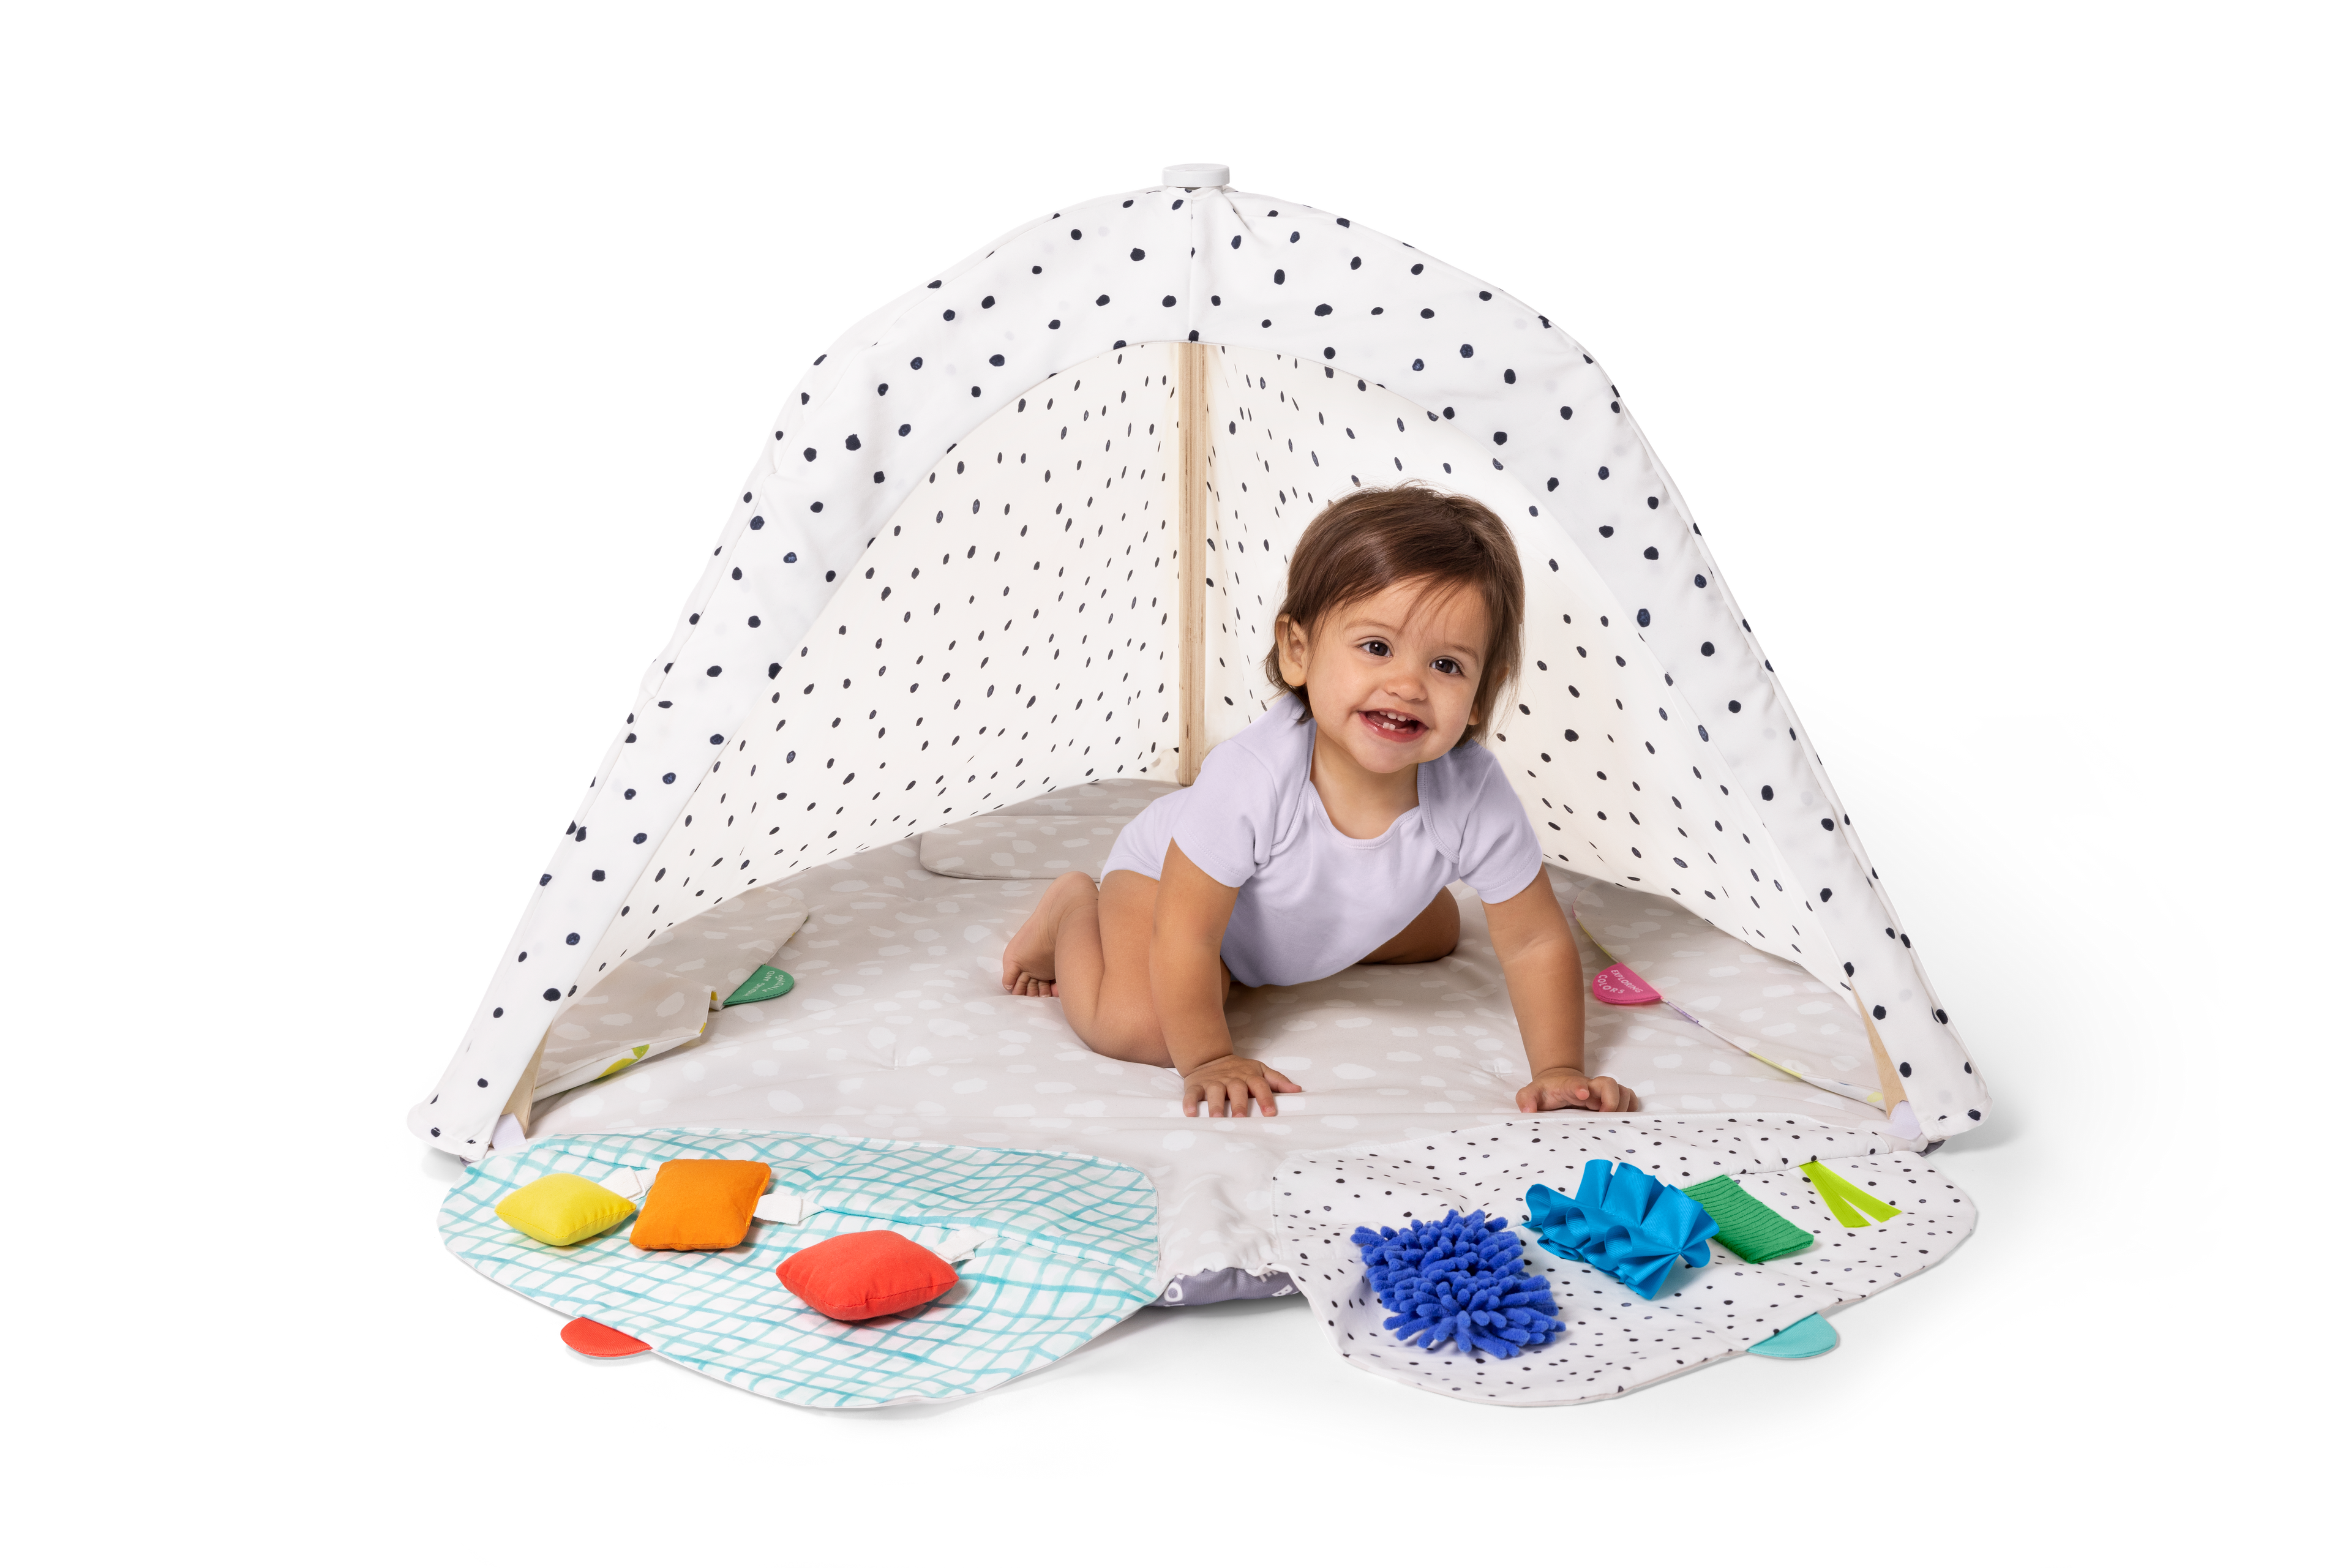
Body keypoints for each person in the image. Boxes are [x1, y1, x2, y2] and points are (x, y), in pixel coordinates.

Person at [1000, 483, 1635, 1119]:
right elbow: (1186, 931)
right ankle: (1073, 908)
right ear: (1298, 651)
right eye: (1377, 647)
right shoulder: (1251, 775)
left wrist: (1558, 1069)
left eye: (1446, 664)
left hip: (1284, 911)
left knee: (1442, 929)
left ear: (1479, 694)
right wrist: (1209, 1057)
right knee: (1141, 1028)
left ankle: (1256, 957)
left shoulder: (1474, 793)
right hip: (1168, 881)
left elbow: (1533, 942)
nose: (1408, 684)